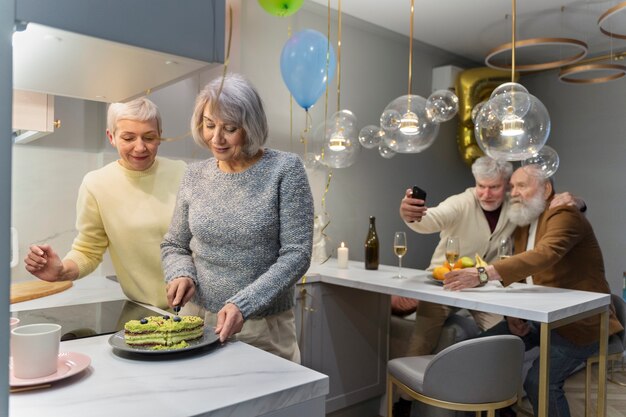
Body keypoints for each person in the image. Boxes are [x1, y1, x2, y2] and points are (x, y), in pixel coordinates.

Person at [445, 165, 623, 417]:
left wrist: (482, 273)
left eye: (522, 185)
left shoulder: (564, 214)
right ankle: (502, 411)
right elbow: (527, 278)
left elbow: (544, 255)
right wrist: (514, 315)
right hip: (540, 319)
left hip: (581, 325)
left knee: (539, 383)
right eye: (512, 187)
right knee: (478, 349)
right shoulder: (523, 222)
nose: (514, 192)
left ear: (546, 188)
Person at [161, 73, 314, 363]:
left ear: (250, 127)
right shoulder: (195, 175)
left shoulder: (284, 170)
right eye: (209, 125)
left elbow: (297, 254)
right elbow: (174, 244)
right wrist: (181, 273)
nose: (215, 138)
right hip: (196, 322)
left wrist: (244, 304)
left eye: (229, 128)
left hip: (262, 328)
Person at [397, 156, 583, 358]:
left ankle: (494, 387)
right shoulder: (460, 203)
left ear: (507, 186)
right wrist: (412, 215)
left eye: (494, 187)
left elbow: (545, 208)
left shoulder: (515, 206)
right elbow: (431, 219)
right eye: (481, 186)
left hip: (484, 286)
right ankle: (406, 389)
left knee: (500, 338)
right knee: (421, 342)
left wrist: (578, 202)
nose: (486, 194)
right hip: (444, 284)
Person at [23, 97, 187, 310]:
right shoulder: (96, 184)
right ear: (112, 137)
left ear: (160, 136)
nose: (140, 147)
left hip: (198, 309)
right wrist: (62, 271)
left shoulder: (183, 173)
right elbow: (88, 250)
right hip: (148, 311)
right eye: (128, 138)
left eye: (149, 137)